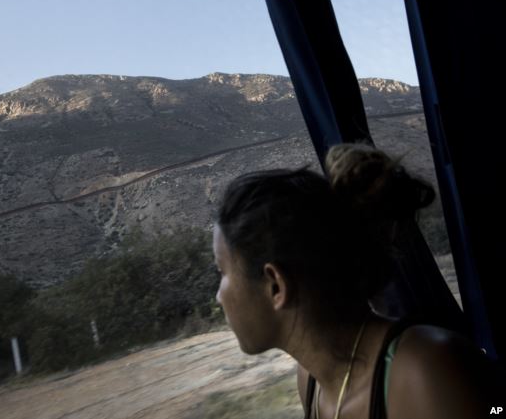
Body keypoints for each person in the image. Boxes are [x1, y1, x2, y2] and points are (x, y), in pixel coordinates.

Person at [212, 143, 499, 419]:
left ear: (276, 285)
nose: (218, 297)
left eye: (222, 272)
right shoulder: (311, 381)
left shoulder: (429, 371)